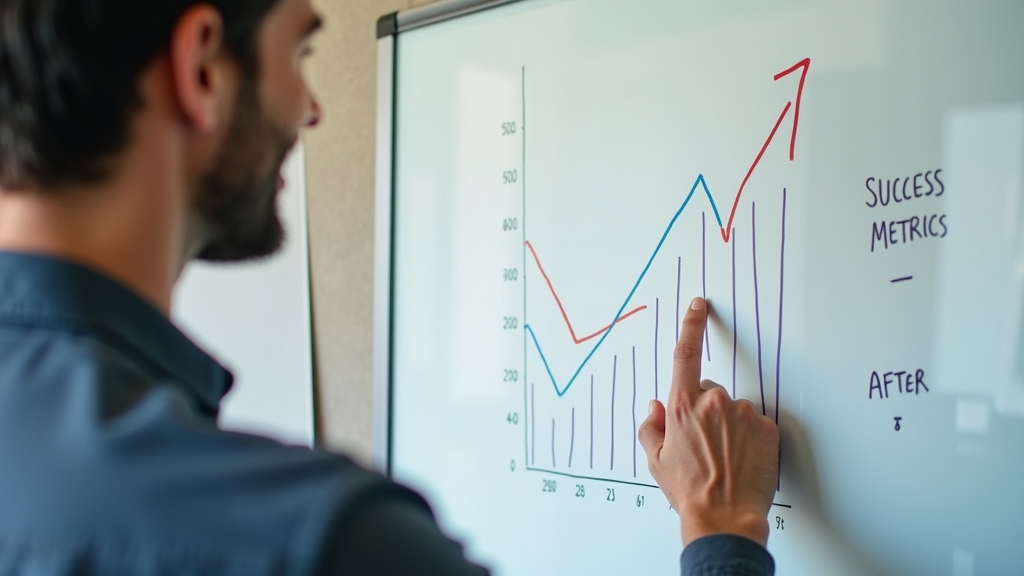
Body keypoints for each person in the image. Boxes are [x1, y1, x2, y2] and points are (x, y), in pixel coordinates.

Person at [0, 0, 780, 574]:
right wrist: (721, 529)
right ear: (202, 66)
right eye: (298, 54)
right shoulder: (327, 542)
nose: (310, 110)